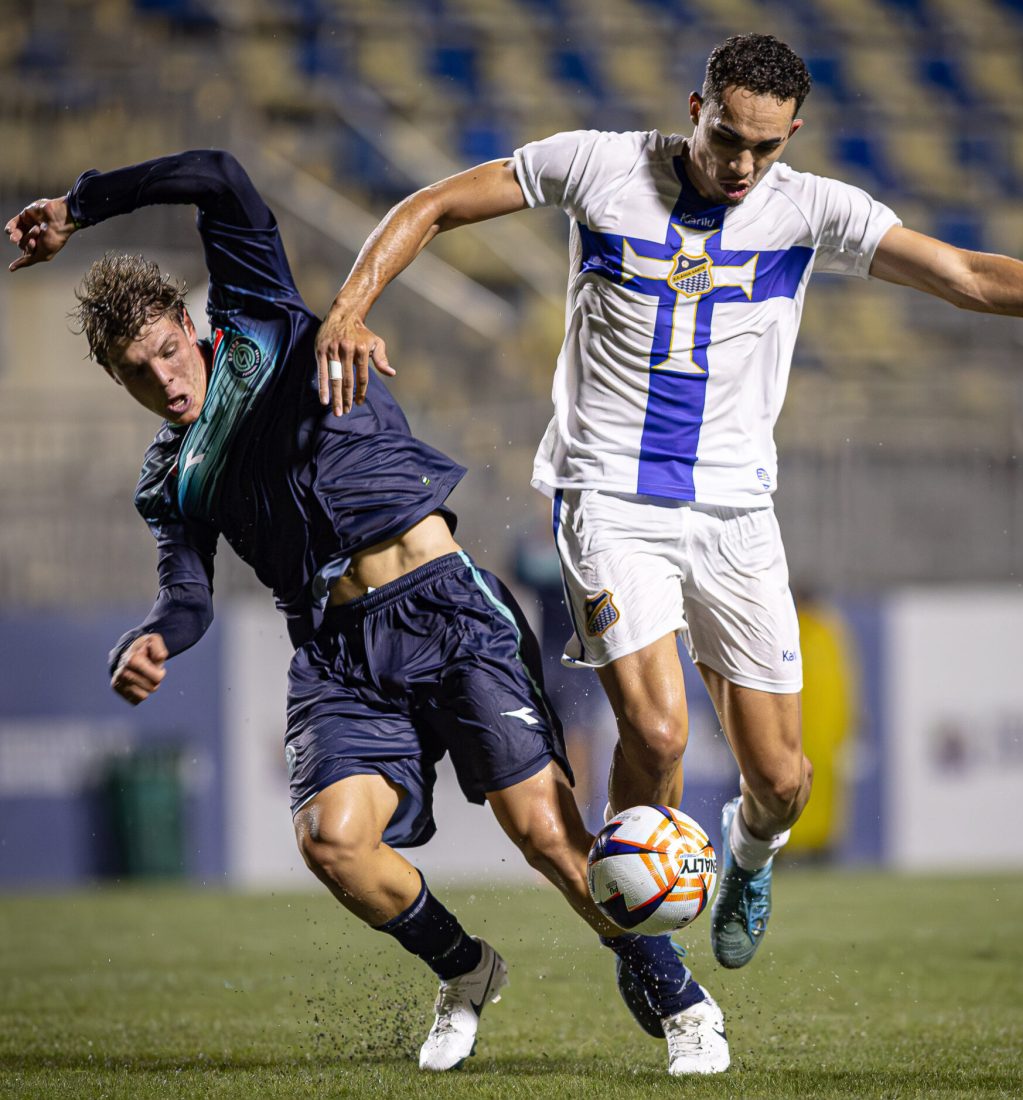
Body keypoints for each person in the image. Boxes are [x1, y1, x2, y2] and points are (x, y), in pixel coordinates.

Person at [316, 30, 1023, 976]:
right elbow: (438, 203)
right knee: (657, 731)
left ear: (793, 135)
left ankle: (748, 851)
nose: (742, 164)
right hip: (609, 499)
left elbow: (966, 276)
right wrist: (351, 306)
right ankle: (639, 933)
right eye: (729, 138)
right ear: (697, 110)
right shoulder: (598, 167)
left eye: (766, 147)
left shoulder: (810, 209)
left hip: (736, 516)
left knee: (782, 780)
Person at [4, 149, 729, 1076]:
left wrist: (79, 202)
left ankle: (679, 1002)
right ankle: (465, 971)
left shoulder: (260, 317)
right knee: (333, 843)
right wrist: (156, 637)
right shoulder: (169, 479)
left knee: (544, 831)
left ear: (190, 326)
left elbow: (223, 176)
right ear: (117, 380)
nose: (166, 381)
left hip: (446, 608)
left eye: (167, 352)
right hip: (339, 654)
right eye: (137, 373)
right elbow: (188, 593)